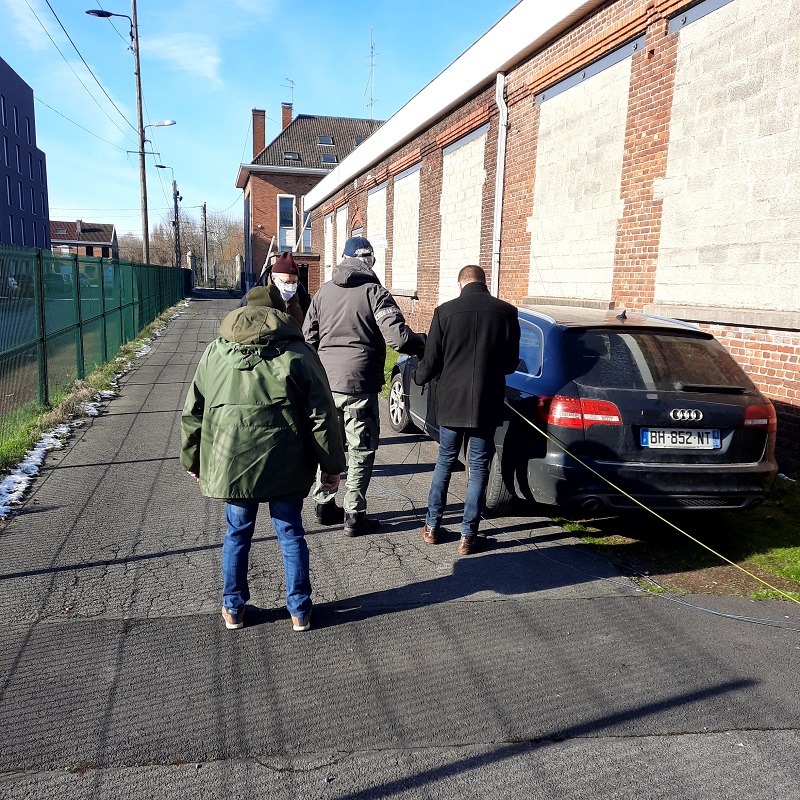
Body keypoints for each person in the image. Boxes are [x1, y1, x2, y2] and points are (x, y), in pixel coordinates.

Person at [181, 282, 346, 631]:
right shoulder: (299, 353)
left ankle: (233, 608)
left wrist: (193, 458)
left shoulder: (214, 352)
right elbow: (323, 415)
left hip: (232, 462)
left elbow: (194, 410)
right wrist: (331, 466)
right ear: (281, 314)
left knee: (237, 533)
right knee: (290, 533)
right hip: (286, 462)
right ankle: (299, 610)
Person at [303, 236, 426, 537]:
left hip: (326, 386)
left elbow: (308, 339)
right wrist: (424, 343)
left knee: (328, 445)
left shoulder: (322, 293)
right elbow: (399, 339)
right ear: (369, 260)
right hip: (359, 384)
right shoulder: (375, 292)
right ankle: (354, 515)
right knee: (360, 449)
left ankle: (323, 505)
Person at [413, 265, 520, 555]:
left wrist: (418, 377)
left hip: (451, 401)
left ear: (460, 285)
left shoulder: (444, 312)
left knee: (445, 461)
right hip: (486, 402)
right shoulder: (507, 312)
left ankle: (432, 527)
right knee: (478, 467)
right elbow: (510, 363)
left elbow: (431, 360)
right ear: (485, 283)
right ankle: (468, 536)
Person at [240, 251, 310, 327]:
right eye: (286, 282)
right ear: (273, 278)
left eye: (294, 282)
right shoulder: (254, 297)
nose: (291, 286)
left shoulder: (302, 297)